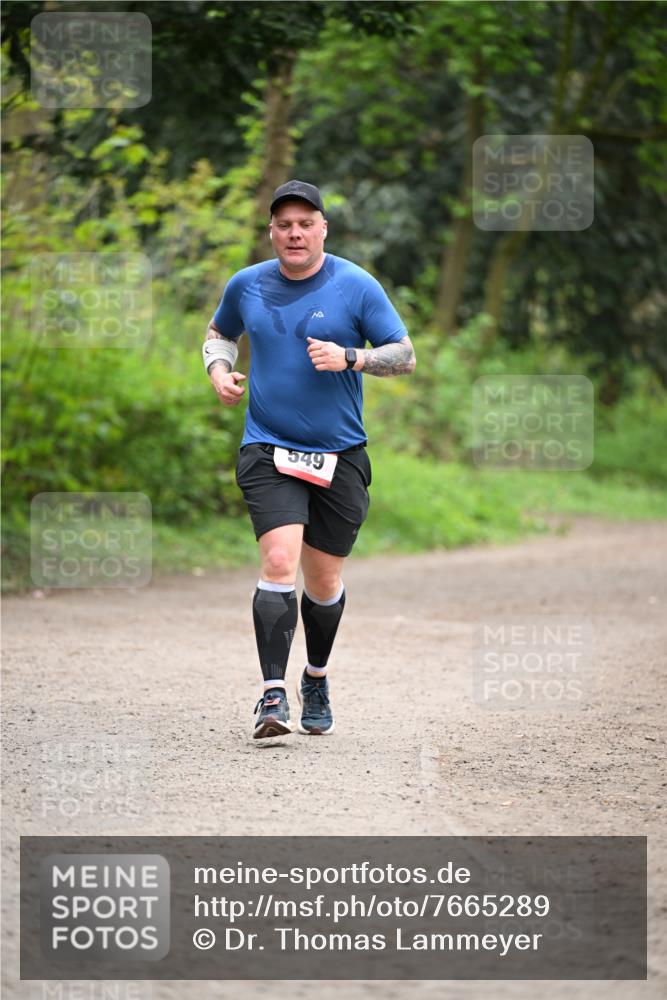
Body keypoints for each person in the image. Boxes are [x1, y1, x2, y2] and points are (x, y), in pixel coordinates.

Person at [204, 179, 415, 740]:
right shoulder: (246, 285)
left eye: (305, 223)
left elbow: (405, 354)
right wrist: (220, 372)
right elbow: (219, 333)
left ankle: (314, 677)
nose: (294, 233)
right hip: (267, 446)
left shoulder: (355, 285)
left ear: (323, 228)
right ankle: (272, 694)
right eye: (283, 225)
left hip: (339, 455)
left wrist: (352, 357)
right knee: (278, 560)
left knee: (323, 584)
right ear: (271, 231)